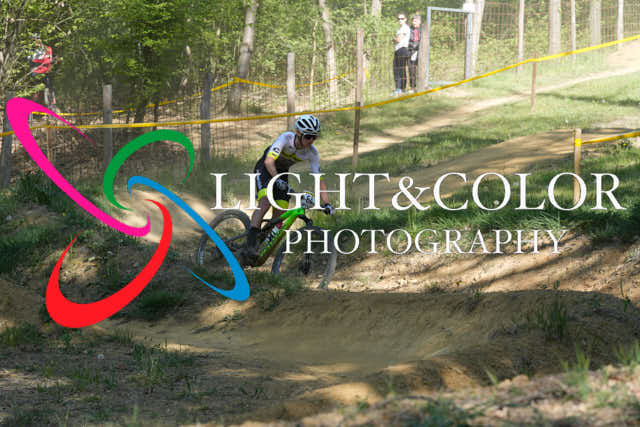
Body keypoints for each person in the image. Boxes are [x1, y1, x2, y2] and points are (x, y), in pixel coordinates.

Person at [245, 114, 335, 258]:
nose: (311, 140)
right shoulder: (286, 138)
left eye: (314, 137)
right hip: (266, 168)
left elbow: (319, 179)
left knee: (280, 213)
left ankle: (258, 243)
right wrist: (276, 179)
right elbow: (269, 161)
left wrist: (327, 203)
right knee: (265, 202)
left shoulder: (312, 153)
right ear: (298, 133)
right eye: (308, 136)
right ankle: (249, 246)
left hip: (282, 173)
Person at [30, 33, 56, 109]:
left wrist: (51, 61)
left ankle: (53, 103)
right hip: (36, 71)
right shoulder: (31, 50)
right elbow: (31, 61)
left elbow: (50, 59)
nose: (36, 41)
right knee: (34, 88)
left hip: (46, 70)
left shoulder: (48, 48)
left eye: (37, 39)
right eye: (34, 40)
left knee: (50, 85)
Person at [392, 13, 410, 96]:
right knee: (396, 69)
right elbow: (397, 39)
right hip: (397, 50)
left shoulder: (405, 28)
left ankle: (402, 88)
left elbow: (398, 39)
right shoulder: (399, 29)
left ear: (405, 19)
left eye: (402, 18)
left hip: (402, 50)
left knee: (401, 70)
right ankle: (398, 88)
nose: (400, 20)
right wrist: (395, 39)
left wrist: (394, 38)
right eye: (398, 19)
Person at [408, 14, 422, 93]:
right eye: (413, 21)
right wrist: (413, 46)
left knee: (421, 69)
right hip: (411, 51)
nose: (414, 23)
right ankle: (412, 87)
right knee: (412, 70)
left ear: (419, 21)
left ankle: (422, 86)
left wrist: (418, 45)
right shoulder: (409, 29)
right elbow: (407, 40)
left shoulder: (423, 29)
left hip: (421, 52)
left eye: (416, 21)